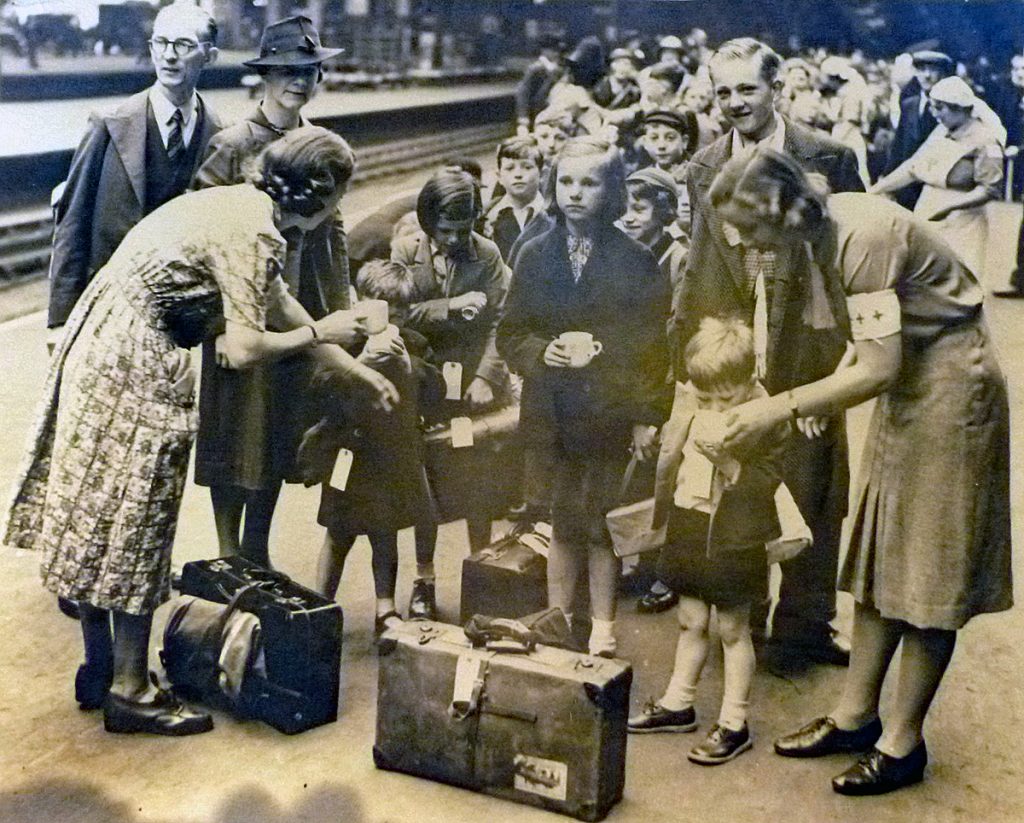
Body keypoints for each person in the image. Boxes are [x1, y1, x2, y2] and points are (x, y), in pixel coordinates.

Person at [2, 127, 398, 736]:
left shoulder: (241, 203)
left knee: (99, 510)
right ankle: (132, 692)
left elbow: (277, 301)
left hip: (104, 336)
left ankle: (100, 666)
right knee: (136, 516)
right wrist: (327, 333)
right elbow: (242, 348)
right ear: (321, 194)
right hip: (135, 357)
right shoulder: (256, 231)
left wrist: (353, 373)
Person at [710, 149, 1011, 795]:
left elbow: (878, 367)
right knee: (881, 554)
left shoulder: (859, 233)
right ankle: (855, 714)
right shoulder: (823, 230)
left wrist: (783, 406)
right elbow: (872, 337)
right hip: (914, 381)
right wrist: (828, 391)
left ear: (782, 209)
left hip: (953, 383)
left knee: (930, 568)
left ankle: (902, 743)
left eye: (751, 228)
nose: (744, 242)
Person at [671, 37, 863, 664]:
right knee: (738, 483)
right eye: (722, 92)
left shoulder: (826, 155)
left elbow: (842, 276)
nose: (734, 104)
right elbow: (699, 269)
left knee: (813, 484)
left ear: (776, 90)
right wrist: (695, 358)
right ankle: (741, 620)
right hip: (735, 342)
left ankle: (805, 625)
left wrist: (830, 372)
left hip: (804, 343)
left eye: (746, 89)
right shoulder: (704, 165)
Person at [497, 137, 671, 657]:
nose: (575, 193)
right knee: (558, 518)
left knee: (600, 523)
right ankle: (557, 618)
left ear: (612, 190)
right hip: (550, 409)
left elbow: (653, 346)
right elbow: (511, 331)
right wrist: (539, 351)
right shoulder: (534, 252)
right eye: (567, 182)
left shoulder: (636, 259)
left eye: (589, 183)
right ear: (553, 186)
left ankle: (602, 625)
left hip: (608, 409)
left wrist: (644, 416)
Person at [191, 15, 347, 566]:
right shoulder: (232, 145)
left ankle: (256, 550)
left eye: (310, 71)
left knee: (279, 440)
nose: (299, 82)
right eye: (287, 71)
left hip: (299, 312)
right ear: (265, 76)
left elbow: (333, 231)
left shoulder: (320, 143)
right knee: (234, 439)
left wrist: (341, 311)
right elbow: (201, 234)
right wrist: (215, 329)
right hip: (242, 320)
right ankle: (228, 553)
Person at [627, 318, 787, 765]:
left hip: (737, 534)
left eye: (726, 398)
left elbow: (769, 482)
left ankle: (735, 722)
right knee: (690, 618)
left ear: (750, 381)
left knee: (733, 629)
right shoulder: (694, 399)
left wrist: (731, 464)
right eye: (705, 398)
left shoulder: (767, 414)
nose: (714, 406)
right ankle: (679, 703)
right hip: (691, 520)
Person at [47, 2, 223, 345]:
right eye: (161, 43)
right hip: (111, 310)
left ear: (210, 56)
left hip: (184, 323)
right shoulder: (109, 124)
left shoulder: (219, 135)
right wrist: (60, 321)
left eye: (184, 45)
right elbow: (73, 222)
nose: (169, 56)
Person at [299, 260, 444, 640]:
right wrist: (359, 363)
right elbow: (317, 391)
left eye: (395, 309)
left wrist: (407, 366)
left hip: (390, 456)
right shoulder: (343, 344)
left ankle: (385, 607)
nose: (386, 315)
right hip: (350, 452)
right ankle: (320, 605)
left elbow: (438, 391)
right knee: (338, 532)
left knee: (386, 532)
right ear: (358, 304)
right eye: (376, 305)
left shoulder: (412, 343)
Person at [391, 169, 513, 620]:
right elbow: (397, 313)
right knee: (428, 490)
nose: (455, 238)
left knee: (476, 481)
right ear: (427, 222)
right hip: (423, 384)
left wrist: (487, 377)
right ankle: (424, 580)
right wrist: (449, 308)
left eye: (464, 228)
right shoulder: (405, 250)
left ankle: (483, 576)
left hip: (472, 390)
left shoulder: (489, 255)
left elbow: (503, 320)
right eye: (445, 230)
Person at [870, 76, 1004, 277]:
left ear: (959, 108)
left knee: (959, 281)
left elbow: (990, 189)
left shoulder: (986, 141)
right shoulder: (941, 132)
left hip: (963, 220)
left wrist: (950, 207)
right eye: (933, 107)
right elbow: (913, 168)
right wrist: (878, 188)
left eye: (940, 108)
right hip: (928, 208)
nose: (935, 114)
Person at [885, 50, 955, 209]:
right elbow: (899, 144)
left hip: (934, 185)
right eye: (921, 70)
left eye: (932, 70)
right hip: (907, 185)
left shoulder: (951, 108)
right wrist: (888, 177)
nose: (927, 75)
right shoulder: (910, 104)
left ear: (943, 75)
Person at [483, 136, 546, 262]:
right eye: (509, 168)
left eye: (527, 167)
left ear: (542, 174)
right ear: (499, 176)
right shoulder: (488, 216)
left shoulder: (552, 210)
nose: (518, 174)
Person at [516, 34, 564, 134]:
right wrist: (523, 118)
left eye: (558, 51)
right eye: (553, 50)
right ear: (544, 51)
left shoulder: (559, 68)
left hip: (555, 113)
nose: (556, 53)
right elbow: (523, 93)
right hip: (538, 113)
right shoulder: (535, 69)